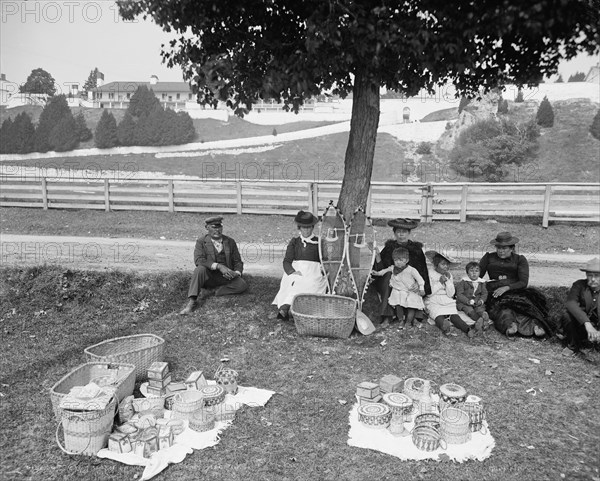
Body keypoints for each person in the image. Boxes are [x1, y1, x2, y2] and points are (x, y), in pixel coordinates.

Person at [479, 231, 552, 337]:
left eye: (504, 248)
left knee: (523, 305)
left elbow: (523, 282)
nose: (501, 251)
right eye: (498, 248)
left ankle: (535, 326)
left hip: (515, 290)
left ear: (512, 248)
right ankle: (510, 325)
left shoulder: (520, 260)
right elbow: (477, 276)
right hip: (495, 291)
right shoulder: (488, 258)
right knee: (502, 308)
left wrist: (507, 287)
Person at [179, 216, 248, 315]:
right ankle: (192, 302)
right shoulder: (201, 241)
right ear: (207, 228)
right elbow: (199, 260)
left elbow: (237, 261)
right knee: (199, 270)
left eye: (219, 227)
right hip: (209, 275)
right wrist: (219, 266)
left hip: (226, 276)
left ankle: (216, 291)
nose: (217, 230)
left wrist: (236, 273)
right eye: (213, 227)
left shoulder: (230, 241)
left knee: (242, 285)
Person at [372, 218, 431, 324]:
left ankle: (415, 316)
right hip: (393, 282)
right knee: (388, 275)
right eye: (398, 232)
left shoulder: (416, 249)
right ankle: (387, 315)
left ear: (409, 233)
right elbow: (382, 269)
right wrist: (377, 256)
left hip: (410, 281)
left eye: (404, 232)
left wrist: (419, 284)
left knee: (414, 287)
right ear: (394, 233)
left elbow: (422, 270)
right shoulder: (390, 247)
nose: (401, 235)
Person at [272, 210, 328, 320]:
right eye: (303, 227)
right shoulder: (295, 242)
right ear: (299, 228)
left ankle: (297, 309)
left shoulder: (319, 242)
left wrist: (323, 269)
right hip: (297, 269)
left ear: (312, 228)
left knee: (311, 283)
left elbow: (324, 260)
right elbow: (287, 261)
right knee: (296, 281)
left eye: (308, 227)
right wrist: (292, 271)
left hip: (314, 271)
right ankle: (285, 307)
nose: (306, 230)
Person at [424, 250, 483, 338]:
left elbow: (451, 294)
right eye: (443, 264)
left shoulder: (449, 275)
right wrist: (440, 283)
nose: (446, 267)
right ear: (436, 264)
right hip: (433, 300)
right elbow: (429, 293)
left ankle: (468, 329)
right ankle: (445, 326)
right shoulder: (430, 274)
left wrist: (448, 282)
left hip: (446, 300)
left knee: (454, 315)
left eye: (447, 264)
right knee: (438, 315)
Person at [373, 246, 425, 329]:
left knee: (411, 306)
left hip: (410, 291)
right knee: (398, 305)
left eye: (401, 260)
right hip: (398, 291)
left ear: (407, 260)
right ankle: (401, 320)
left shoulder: (411, 270)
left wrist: (421, 288)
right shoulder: (393, 268)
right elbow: (384, 271)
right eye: (396, 260)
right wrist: (377, 273)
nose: (398, 262)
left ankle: (408, 322)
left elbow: (420, 279)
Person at [560, 258, 600, 361]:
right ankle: (573, 346)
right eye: (590, 275)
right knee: (567, 315)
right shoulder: (579, 285)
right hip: (582, 326)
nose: (593, 279)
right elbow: (571, 303)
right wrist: (587, 324)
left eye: (597, 276)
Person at [456, 261, 490, 328]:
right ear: (467, 273)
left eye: (476, 271)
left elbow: (484, 293)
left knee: (480, 309)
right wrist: (467, 301)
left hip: (477, 301)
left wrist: (481, 301)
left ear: (479, 273)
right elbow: (459, 294)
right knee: (469, 310)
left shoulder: (482, 282)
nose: (474, 273)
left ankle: (483, 315)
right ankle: (479, 320)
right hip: (464, 302)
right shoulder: (463, 282)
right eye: (471, 271)